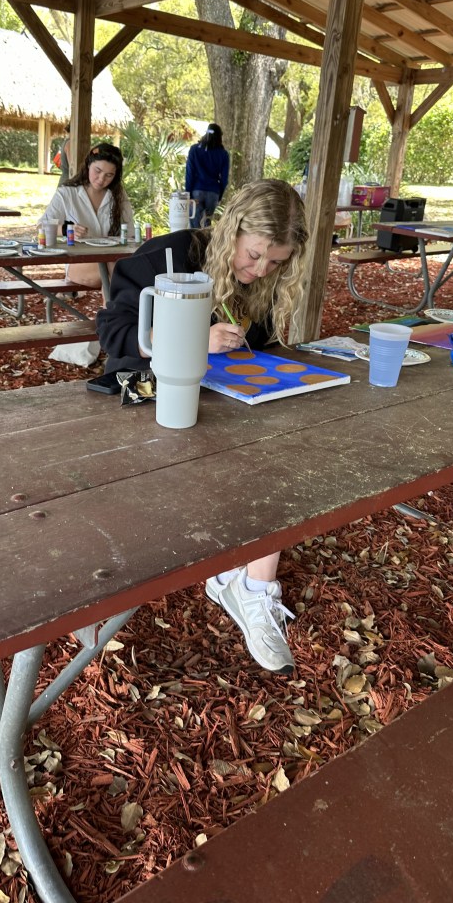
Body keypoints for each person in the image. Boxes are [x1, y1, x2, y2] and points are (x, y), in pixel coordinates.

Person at [96, 179, 308, 673]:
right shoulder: (164, 258)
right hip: (147, 396)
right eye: (253, 255)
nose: (260, 270)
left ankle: (252, 585)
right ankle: (237, 575)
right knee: (248, 456)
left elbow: (260, 349)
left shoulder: (263, 280)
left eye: (276, 262)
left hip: (221, 400)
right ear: (232, 229)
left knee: (282, 444)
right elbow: (112, 332)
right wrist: (189, 336)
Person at [39, 142, 133, 367]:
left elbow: (130, 232)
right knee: (117, 270)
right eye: (97, 171)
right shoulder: (68, 193)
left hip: (110, 264)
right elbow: (42, 226)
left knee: (119, 269)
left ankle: (115, 333)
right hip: (79, 265)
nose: (101, 179)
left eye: (109, 175)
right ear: (88, 165)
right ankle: (117, 336)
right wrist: (65, 228)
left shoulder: (117, 196)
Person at [185, 123, 230, 228]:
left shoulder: (194, 150)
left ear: (206, 133)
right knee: (206, 225)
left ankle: (194, 239)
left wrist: (188, 194)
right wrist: (219, 195)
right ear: (220, 137)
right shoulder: (223, 154)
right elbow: (224, 179)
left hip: (196, 192)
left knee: (195, 227)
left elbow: (190, 173)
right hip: (213, 193)